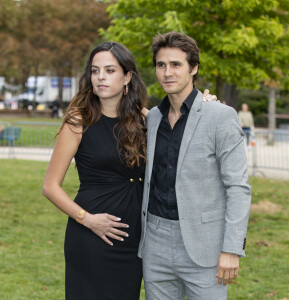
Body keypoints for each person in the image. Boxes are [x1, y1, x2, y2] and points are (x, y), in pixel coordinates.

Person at [138, 31, 251, 300]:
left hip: (206, 247)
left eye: (176, 64)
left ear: (194, 68)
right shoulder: (152, 118)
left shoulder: (220, 117)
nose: (167, 72)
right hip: (155, 244)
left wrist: (232, 249)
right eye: (161, 65)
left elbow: (237, 187)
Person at [43, 42, 149, 300]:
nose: (100, 77)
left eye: (110, 70)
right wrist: (87, 219)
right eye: (95, 70)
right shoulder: (78, 121)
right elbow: (50, 187)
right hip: (90, 235)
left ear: (127, 77)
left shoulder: (146, 119)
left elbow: (183, 118)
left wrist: (205, 101)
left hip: (134, 237)